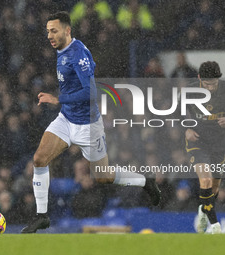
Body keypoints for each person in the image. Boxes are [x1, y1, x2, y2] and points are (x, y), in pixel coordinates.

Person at [21, 11, 161, 234]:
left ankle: (145, 181)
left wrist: (58, 98)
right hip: (66, 119)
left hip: (88, 125)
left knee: (103, 176)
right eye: (48, 31)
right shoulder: (61, 49)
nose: (49, 35)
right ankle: (42, 216)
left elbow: (89, 91)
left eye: (54, 31)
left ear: (67, 31)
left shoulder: (78, 54)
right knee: (39, 159)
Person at [184, 61, 225, 234]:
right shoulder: (189, 91)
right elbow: (175, 113)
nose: (210, 88)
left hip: (219, 144)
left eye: (214, 84)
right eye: (207, 84)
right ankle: (214, 225)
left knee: (213, 189)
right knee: (206, 180)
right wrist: (186, 128)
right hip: (198, 142)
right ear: (200, 78)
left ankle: (203, 208)